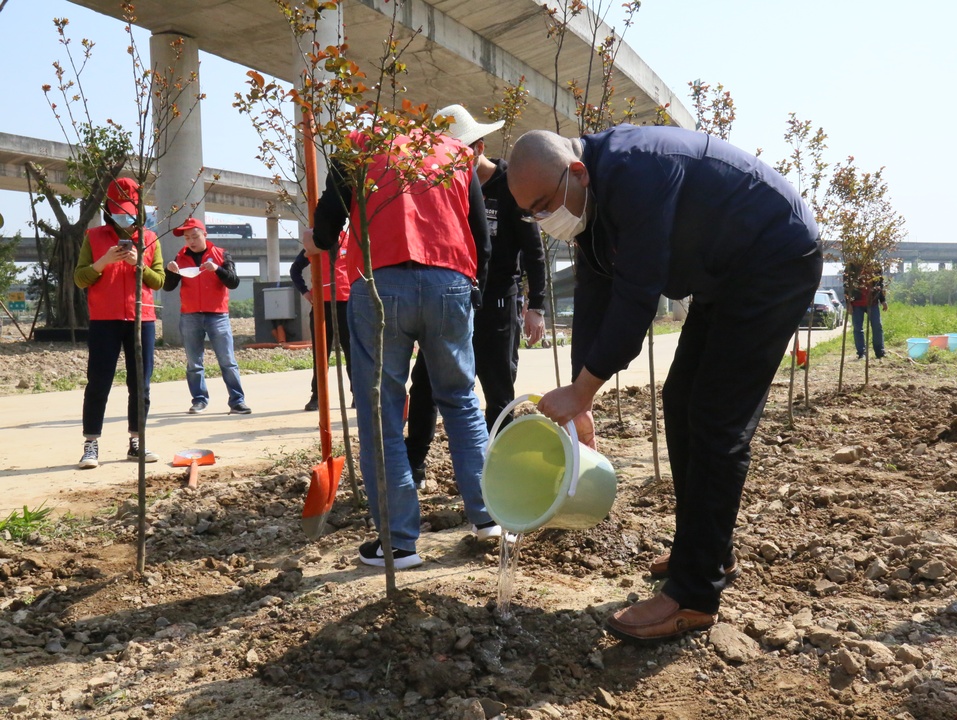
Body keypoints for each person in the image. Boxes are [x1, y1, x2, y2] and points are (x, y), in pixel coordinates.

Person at [507, 126, 822, 643]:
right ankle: (706, 551)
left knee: (717, 421)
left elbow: (637, 295)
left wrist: (586, 389)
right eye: (532, 213)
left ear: (577, 172)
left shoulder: (637, 173)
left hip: (774, 260)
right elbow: (595, 292)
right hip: (727, 274)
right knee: (681, 399)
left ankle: (695, 596)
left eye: (545, 204)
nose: (545, 220)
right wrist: (579, 389)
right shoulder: (591, 199)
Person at [302, 122, 502, 571]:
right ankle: (490, 516)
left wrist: (316, 241)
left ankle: (399, 544)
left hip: (381, 285)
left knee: (382, 412)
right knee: (461, 401)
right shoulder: (455, 153)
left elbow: (327, 227)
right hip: (451, 281)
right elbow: (481, 238)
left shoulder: (357, 147)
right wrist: (474, 292)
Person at [405, 104, 548, 487]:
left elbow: (534, 251)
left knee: (498, 389)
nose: (452, 161)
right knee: (424, 384)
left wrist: (536, 307)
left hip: (498, 302)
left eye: (460, 152)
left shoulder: (509, 185)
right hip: (452, 302)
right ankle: (413, 463)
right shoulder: (441, 186)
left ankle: (497, 472)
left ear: (479, 148)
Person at [74, 177, 165, 469]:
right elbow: (80, 278)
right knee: (98, 383)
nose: (124, 217)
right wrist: (103, 262)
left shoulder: (150, 239)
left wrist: (137, 263)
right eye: (118, 210)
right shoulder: (94, 236)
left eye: (129, 210)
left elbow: (159, 280)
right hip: (104, 320)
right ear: (109, 210)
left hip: (142, 320)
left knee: (140, 384)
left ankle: (137, 440)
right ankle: (91, 443)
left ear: (138, 211)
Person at [163, 218, 251, 415]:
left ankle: (237, 400)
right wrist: (170, 273)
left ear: (205, 235)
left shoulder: (221, 254)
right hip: (190, 315)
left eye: (195, 236)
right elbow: (168, 287)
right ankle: (199, 400)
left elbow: (234, 282)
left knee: (227, 360)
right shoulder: (180, 258)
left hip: (217, 315)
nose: (191, 241)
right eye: (187, 238)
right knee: (194, 362)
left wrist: (218, 269)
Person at [289, 232, 352, 412]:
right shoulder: (317, 241)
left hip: (346, 303)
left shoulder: (351, 239)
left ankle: (357, 394)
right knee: (321, 352)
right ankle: (317, 396)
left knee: (352, 351)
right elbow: (295, 270)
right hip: (321, 305)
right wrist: (305, 292)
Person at [844, 261, 888, 359]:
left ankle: (879, 352)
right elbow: (846, 286)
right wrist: (848, 303)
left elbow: (879, 285)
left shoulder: (876, 266)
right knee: (858, 329)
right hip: (856, 303)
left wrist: (883, 300)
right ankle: (861, 353)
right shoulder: (851, 266)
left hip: (872, 302)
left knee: (877, 326)